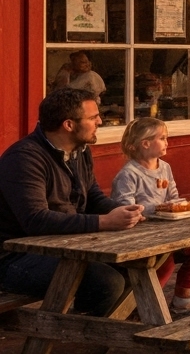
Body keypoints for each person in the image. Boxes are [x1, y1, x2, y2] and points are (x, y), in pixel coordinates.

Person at [0, 88, 143, 316]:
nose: (100, 121)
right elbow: (36, 221)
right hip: (15, 258)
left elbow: (93, 197)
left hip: (66, 246)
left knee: (137, 265)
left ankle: (100, 334)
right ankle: (79, 336)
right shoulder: (24, 159)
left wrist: (125, 212)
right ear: (68, 125)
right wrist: (105, 222)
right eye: (93, 117)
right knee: (107, 282)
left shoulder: (80, 150)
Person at [111, 118, 190, 313]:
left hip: (169, 229)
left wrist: (187, 206)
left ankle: (182, 298)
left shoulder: (165, 168)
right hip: (142, 231)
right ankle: (143, 306)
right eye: (162, 138)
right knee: (164, 263)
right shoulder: (129, 174)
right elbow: (124, 206)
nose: (167, 142)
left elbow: (173, 197)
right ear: (145, 144)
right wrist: (158, 208)